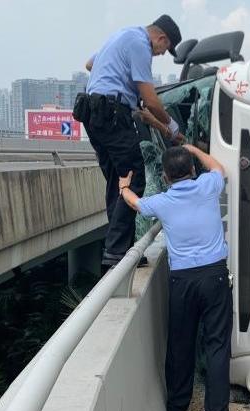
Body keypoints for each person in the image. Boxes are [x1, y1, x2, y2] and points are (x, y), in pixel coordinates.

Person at [120, 145, 242, 411]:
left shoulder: (162, 201)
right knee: (217, 348)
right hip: (214, 277)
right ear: (192, 170)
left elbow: (136, 203)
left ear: (164, 176)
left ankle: (176, 408)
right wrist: (192, 148)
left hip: (182, 281)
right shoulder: (207, 185)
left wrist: (123, 188)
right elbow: (218, 168)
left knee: (180, 345)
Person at [75, 14, 183, 270]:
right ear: (161, 38)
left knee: (118, 181)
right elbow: (152, 100)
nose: (160, 54)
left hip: (93, 114)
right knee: (134, 178)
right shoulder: (140, 45)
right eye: (164, 50)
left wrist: (118, 79)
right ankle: (116, 252)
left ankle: (120, 249)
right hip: (113, 114)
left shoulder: (122, 35)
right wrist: (172, 126)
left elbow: (91, 64)